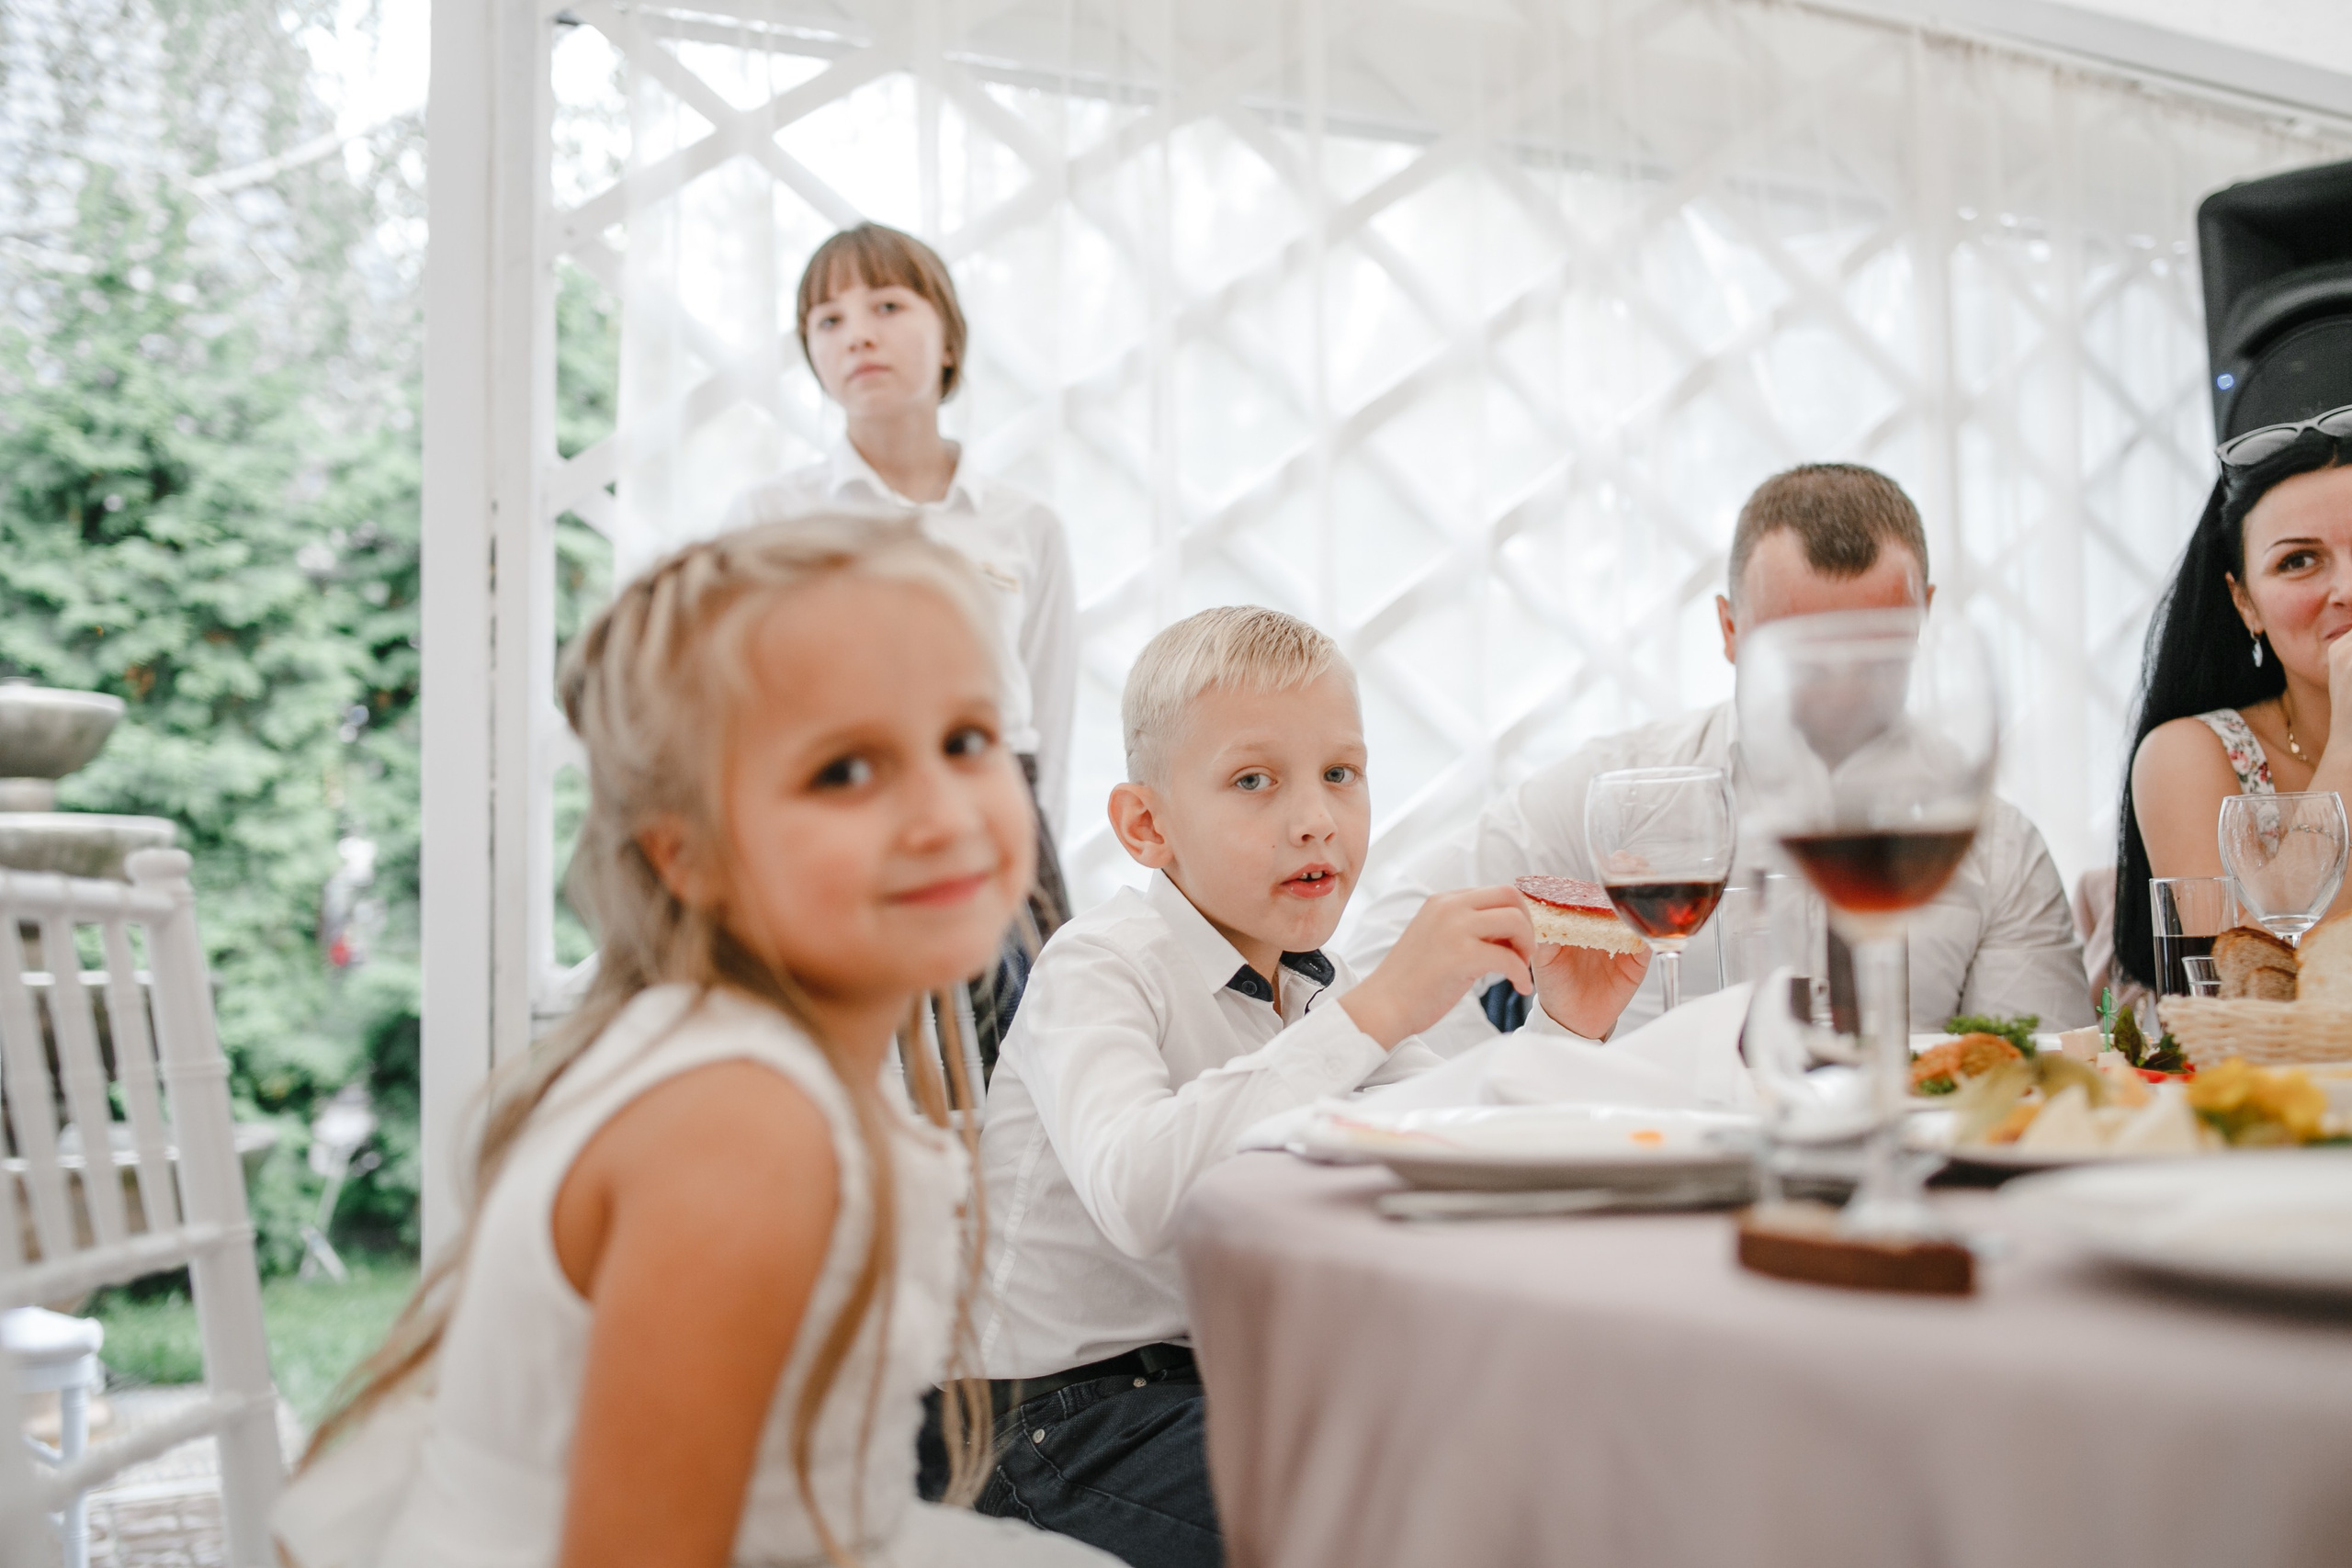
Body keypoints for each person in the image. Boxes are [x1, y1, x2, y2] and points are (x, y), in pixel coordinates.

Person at [276, 518, 1115, 1568]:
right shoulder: (739, 1130)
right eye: (846, 771)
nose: (943, 813)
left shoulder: (739, 1052)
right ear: (688, 856)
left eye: (966, 741)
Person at [967, 606, 1646, 1567]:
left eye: (1341, 774)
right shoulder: (1099, 965)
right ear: (1147, 825)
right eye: (1254, 781)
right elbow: (1136, 1194)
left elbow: (1460, 1151)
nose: (1315, 817)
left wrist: (1568, 1027)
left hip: (1229, 1388)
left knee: (1544, 1454)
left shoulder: (1316, 992)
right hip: (1049, 1428)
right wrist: (1379, 1008)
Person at [1348, 463, 2094, 1049]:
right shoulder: (1620, 793)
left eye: (1871, 646)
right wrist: (1499, 1102)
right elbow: (1391, 943)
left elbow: (2037, 1069)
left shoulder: (1999, 846)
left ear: (1924, 615)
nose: (1833, 684)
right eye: (1793, 651)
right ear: (1729, 629)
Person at [723, 223, 1079, 1056]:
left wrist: (1023, 852)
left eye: (887, 304)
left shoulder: (1024, 524)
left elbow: (1047, 712)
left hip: (1000, 818)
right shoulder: (770, 519)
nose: (859, 334)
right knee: (856, 1068)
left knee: (1021, 1075)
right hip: (837, 815)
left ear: (948, 335)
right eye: (829, 320)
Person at [2119, 404, 2352, 992]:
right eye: (2299, 561)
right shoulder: (2190, 755)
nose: (2346, 589)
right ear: (2245, 602)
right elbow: (2247, 991)